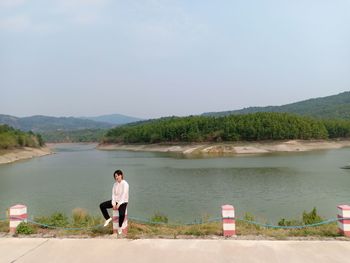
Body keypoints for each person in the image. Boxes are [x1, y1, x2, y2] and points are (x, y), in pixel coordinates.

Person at [99, 169, 129, 234]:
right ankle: (108, 218)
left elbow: (124, 195)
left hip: (123, 201)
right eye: (115, 176)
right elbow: (113, 194)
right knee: (102, 205)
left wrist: (119, 203)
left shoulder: (125, 184)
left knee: (121, 214)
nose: (116, 177)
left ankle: (120, 226)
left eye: (117, 175)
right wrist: (113, 203)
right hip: (115, 201)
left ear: (121, 175)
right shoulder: (115, 184)